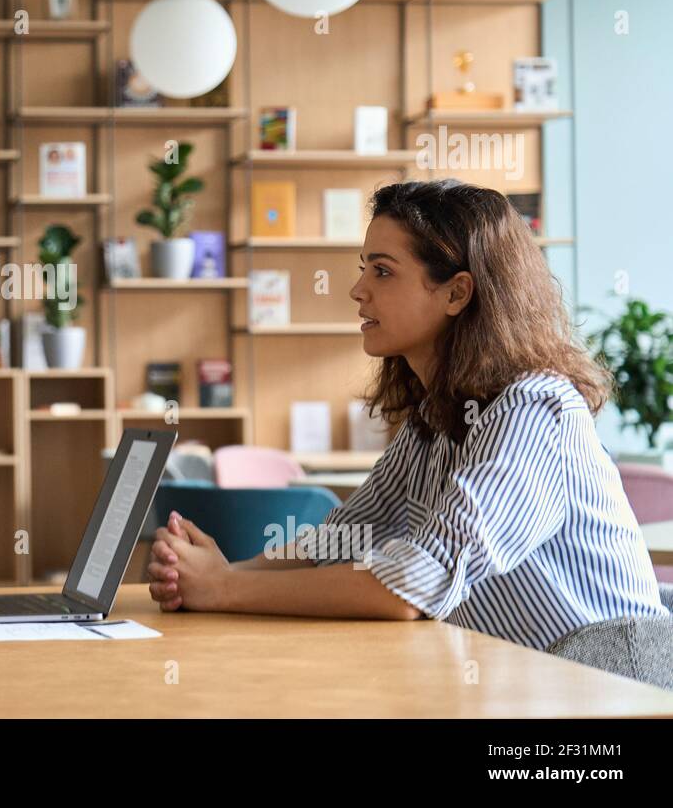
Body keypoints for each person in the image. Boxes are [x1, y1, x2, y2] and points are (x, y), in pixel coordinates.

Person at [148, 178, 668, 650]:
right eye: (363, 269)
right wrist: (219, 572)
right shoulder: (435, 418)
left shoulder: (536, 410)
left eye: (383, 271)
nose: (358, 290)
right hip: (522, 689)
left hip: (609, 692)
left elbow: (410, 587)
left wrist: (224, 588)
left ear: (456, 292)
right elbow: (340, 539)